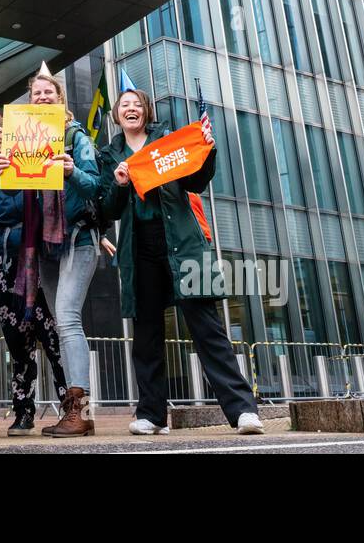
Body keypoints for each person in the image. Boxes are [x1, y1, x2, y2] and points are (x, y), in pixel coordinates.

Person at [95, 88, 263, 437]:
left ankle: (243, 410)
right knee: (147, 334)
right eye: (124, 105)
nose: (131, 109)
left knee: (207, 328)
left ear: (146, 111)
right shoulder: (109, 154)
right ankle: (152, 415)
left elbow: (196, 181)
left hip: (183, 243)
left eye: (137, 104)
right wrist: (119, 184)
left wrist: (206, 150)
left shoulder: (167, 140)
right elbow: (108, 208)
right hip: (138, 249)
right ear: (116, 114)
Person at [0, 70, 102, 437]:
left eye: (47, 92)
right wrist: (4, 172)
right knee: (62, 320)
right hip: (45, 245)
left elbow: (95, 184)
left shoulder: (75, 135)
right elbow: (14, 203)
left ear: (60, 98)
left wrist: (71, 171)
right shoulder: (23, 138)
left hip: (77, 238)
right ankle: (74, 411)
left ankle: (79, 411)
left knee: (66, 319)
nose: (41, 97)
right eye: (35, 93)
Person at [0, 115, 68, 436]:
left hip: (44, 263)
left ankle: (71, 409)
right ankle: (24, 412)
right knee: (16, 343)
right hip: (10, 269)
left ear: (12, 136)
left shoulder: (39, 166)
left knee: (54, 341)